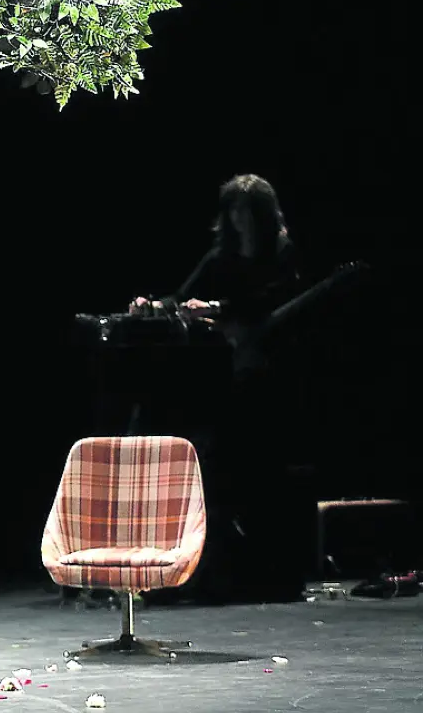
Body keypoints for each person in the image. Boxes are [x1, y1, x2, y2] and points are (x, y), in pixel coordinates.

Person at [131, 174, 307, 603]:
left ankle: (261, 570)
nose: (241, 219)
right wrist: (154, 306)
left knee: (253, 468)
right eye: (235, 210)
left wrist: (216, 308)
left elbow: (272, 302)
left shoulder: (283, 255)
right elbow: (182, 296)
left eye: (248, 211)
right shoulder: (220, 258)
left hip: (269, 374)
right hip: (223, 375)